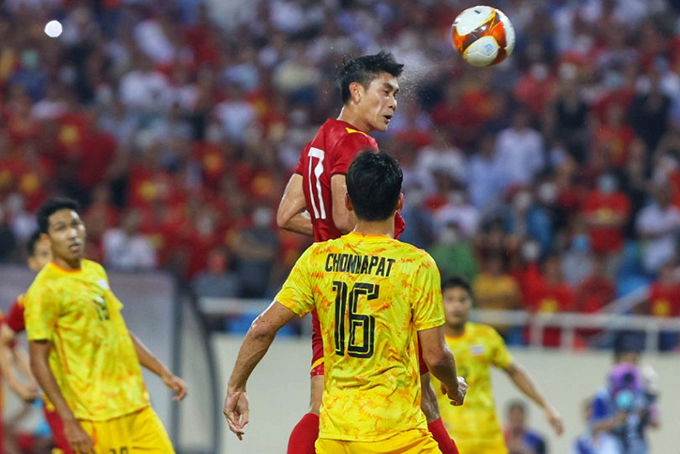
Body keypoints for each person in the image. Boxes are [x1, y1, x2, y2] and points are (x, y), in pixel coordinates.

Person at [225, 151, 467, 453]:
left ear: (348, 202)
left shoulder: (318, 258)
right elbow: (435, 355)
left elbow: (262, 328)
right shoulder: (416, 265)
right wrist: (454, 386)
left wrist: (237, 386)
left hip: (336, 440)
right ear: (399, 202)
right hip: (398, 438)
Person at [276, 52, 457, 453]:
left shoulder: (321, 138)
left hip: (332, 284)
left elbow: (287, 215)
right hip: (378, 283)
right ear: (356, 92)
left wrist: (328, 242)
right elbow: (345, 218)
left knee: (323, 403)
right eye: (386, 92)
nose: (393, 102)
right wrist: (350, 235)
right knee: (422, 399)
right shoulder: (358, 143)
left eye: (396, 93)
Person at [25, 197, 188, 454]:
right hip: (94, 416)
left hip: (135, 405)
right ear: (46, 239)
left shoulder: (95, 272)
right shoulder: (44, 291)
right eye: (61, 228)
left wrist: (163, 372)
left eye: (76, 224)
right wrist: (69, 421)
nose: (72, 233)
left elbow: (118, 331)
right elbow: (38, 360)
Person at [431, 276, 564, 454]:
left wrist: (546, 406)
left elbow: (514, 371)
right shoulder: (431, 342)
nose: (457, 306)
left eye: (463, 299)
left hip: (489, 438)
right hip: (450, 437)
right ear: (440, 303)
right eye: (450, 299)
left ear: (471, 303)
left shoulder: (485, 336)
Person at [0, 231, 74, 454]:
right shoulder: (28, 303)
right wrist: (15, 384)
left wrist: (34, 382)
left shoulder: (85, 290)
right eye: (45, 255)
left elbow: (15, 351)